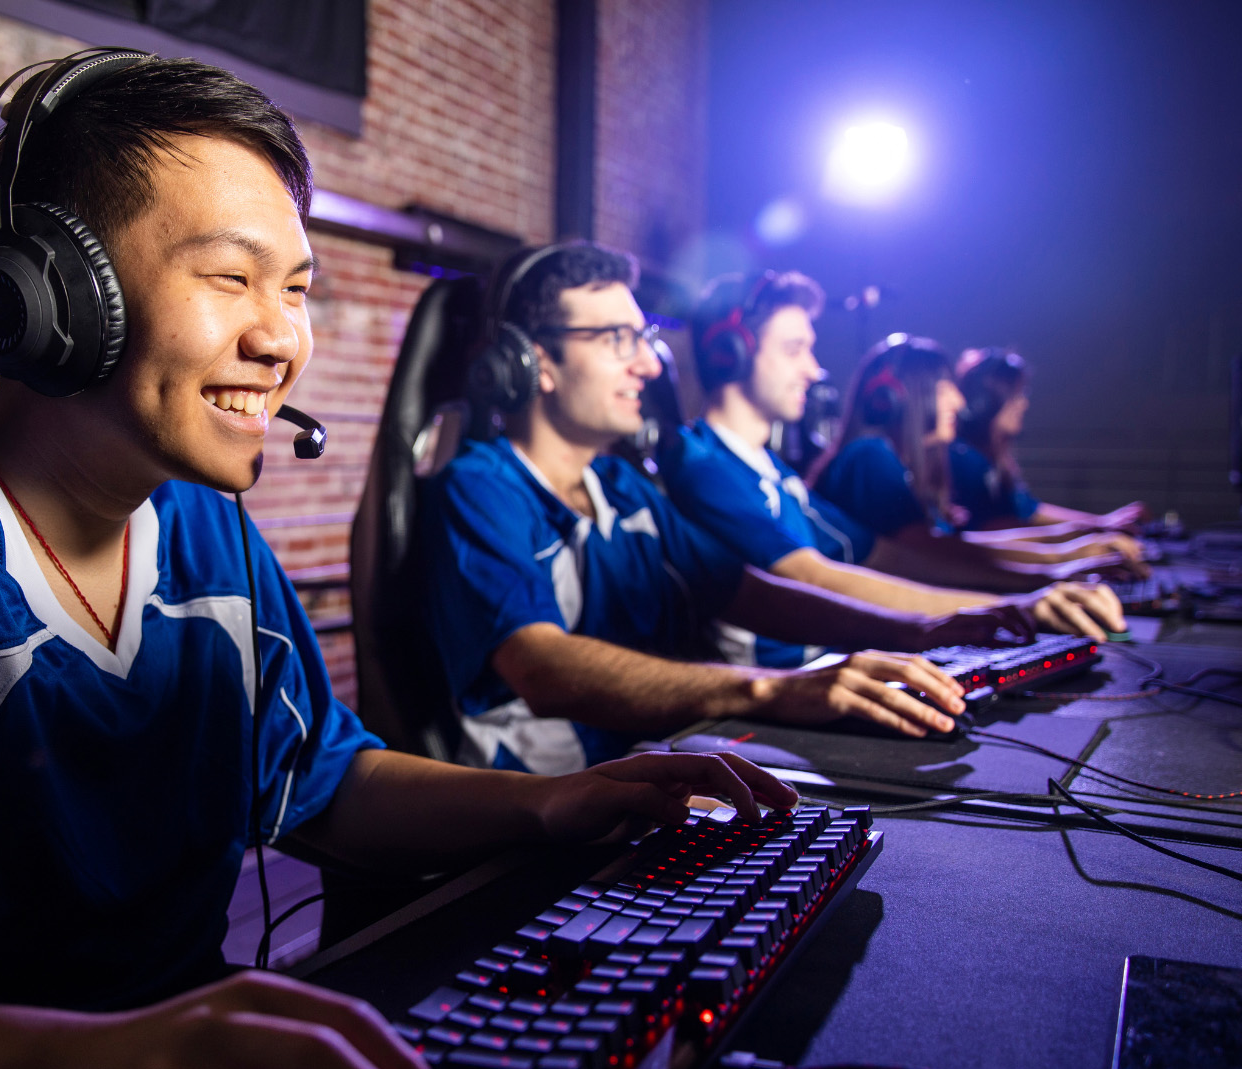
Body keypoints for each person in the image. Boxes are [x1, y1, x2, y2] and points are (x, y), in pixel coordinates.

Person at [0, 53, 797, 1069]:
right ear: (52, 304)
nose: (282, 337)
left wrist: (550, 804)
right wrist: (96, 1059)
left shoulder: (209, 534)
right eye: (231, 278)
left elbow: (322, 783)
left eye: (296, 289)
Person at [419, 243, 1033, 780]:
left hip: (641, 782)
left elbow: (745, 591)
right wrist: (772, 689)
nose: (651, 364)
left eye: (645, 338)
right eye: (617, 340)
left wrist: (915, 633)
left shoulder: (622, 487)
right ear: (533, 361)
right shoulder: (480, 486)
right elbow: (540, 665)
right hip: (532, 822)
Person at [657, 272, 1126, 668]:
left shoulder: (769, 469)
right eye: (794, 349)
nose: (814, 369)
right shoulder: (705, 466)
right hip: (778, 697)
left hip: (827, 669)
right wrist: (1008, 607)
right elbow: (812, 576)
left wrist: (1039, 586)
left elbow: (887, 555)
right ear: (730, 353)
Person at [809, 335, 1145, 592]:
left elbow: (958, 546)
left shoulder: (889, 462)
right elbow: (929, 553)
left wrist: (1068, 557)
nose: (958, 400)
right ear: (897, 400)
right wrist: (1053, 568)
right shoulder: (869, 457)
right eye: (945, 390)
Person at [952, 347, 1145, 532]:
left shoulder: (988, 458)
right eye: (1016, 395)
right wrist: (1082, 543)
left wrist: (1103, 524)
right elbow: (994, 530)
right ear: (986, 401)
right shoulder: (966, 459)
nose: (1024, 403)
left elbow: (1030, 510)